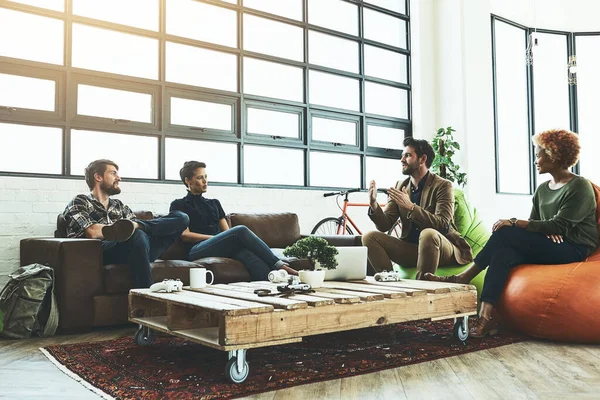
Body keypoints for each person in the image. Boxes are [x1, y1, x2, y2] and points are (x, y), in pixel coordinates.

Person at [426, 129, 598, 338]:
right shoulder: (543, 189)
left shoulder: (580, 186)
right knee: (502, 255)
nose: (535, 160)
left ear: (554, 155)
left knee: (506, 231)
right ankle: (485, 319)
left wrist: (520, 223)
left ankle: (464, 276)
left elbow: (560, 226)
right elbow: (539, 223)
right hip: (550, 243)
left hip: (574, 248)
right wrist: (546, 228)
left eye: (538, 155)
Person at [62, 159, 189, 288]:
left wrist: (136, 227)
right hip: (101, 252)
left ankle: (139, 225)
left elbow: (139, 237)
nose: (119, 178)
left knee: (181, 218)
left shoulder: (119, 206)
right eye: (113, 173)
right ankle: (145, 296)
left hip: (137, 248)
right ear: (98, 177)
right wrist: (121, 230)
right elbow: (92, 232)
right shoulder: (80, 201)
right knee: (137, 234)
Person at [362, 137, 473, 280]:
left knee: (428, 234)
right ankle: (391, 283)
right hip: (412, 249)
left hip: (442, 247)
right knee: (369, 237)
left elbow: (443, 224)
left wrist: (411, 207)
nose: (402, 160)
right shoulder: (400, 186)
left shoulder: (443, 186)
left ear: (422, 159)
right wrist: (373, 204)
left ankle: (420, 288)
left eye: (407, 155)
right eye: (402, 156)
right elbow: (385, 225)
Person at [169, 161, 297, 281]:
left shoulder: (214, 203)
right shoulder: (178, 205)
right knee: (240, 230)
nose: (205, 181)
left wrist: (222, 238)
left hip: (220, 245)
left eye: (206, 177)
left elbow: (227, 232)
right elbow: (185, 235)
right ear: (188, 181)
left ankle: (271, 284)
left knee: (246, 254)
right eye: (200, 178)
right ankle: (279, 264)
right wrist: (216, 237)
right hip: (196, 249)